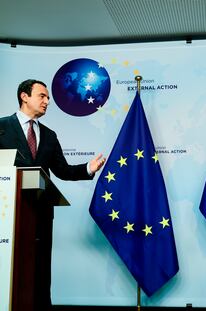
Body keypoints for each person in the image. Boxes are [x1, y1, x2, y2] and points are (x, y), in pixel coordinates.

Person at [0, 79, 106, 310]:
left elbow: (63, 171)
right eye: (42, 96)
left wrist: (88, 168)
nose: (47, 101)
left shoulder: (49, 135)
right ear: (24, 96)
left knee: (39, 269)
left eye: (48, 97)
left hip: (40, 213)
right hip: (7, 214)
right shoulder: (2, 126)